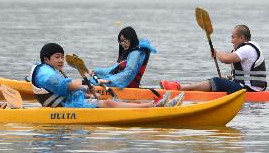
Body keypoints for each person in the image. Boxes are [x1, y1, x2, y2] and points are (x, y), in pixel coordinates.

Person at [31, 43, 184, 108]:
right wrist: (85, 86)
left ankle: (155, 104)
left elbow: (67, 85)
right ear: (46, 59)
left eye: (62, 57)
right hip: (66, 108)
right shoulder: (44, 72)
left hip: (70, 103)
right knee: (107, 104)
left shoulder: (51, 70)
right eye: (57, 57)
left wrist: (86, 92)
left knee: (108, 100)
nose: (61, 60)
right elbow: (64, 85)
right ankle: (152, 107)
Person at [160, 24, 265, 93]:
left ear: (241, 38)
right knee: (221, 80)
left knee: (217, 81)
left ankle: (179, 88)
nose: (231, 41)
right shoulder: (245, 48)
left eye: (233, 37)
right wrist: (228, 78)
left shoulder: (247, 49)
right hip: (247, 88)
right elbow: (243, 74)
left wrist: (216, 53)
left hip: (250, 91)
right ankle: (185, 88)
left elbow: (225, 59)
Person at [91, 26, 157, 88]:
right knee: (94, 78)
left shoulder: (136, 53)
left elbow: (129, 72)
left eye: (125, 40)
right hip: (120, 81)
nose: (123, 43)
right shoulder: (128, 52)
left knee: (91, 82)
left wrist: (109, 80)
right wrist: (96, 71)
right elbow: (112, 69)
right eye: (121, 41)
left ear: (131, 39)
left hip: (128, 84)